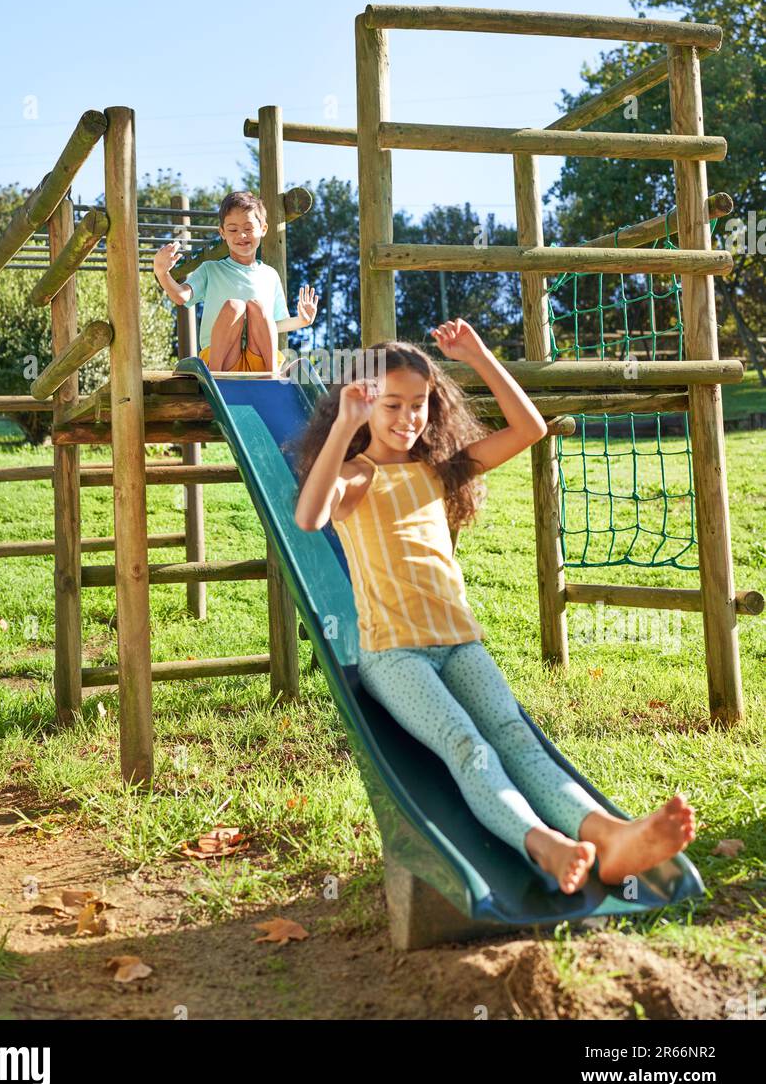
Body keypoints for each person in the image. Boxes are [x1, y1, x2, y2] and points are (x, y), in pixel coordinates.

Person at [293, 318, 696, 895]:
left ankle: (610, 837)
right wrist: (344, 428)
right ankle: (547, 845)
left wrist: (478, 355)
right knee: (467, 744)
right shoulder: (357, 475)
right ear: (364, 406)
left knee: (516, 736)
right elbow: (308, 518)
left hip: (460, 642)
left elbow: (529, 428)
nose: (408, 418)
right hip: (395, 655)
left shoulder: (439, 469)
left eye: (419, 405)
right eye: (391, 406)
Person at [153, 190, 318, 372]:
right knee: (235, 306)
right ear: (222, 233)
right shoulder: (211, 270)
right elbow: (180, 296)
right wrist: (163, 274)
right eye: (233, 230)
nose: (241, 235)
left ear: (263, 229)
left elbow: (275, 324)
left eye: (248, 228)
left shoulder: (270, 275)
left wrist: (303, 320)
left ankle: (272, 375)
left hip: (259, 359)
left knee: (258, 307)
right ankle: (215, 376)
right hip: (223, 358)